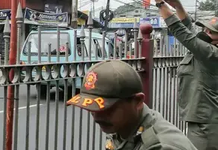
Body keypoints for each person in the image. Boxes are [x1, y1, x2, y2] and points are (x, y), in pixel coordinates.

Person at [67, 59, 197, 150]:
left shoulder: (161, 146)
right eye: (91, 108)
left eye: (107, 108)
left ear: (138, 101)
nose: (96, 116)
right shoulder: (125, 127)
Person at [148, 0, 218, 149]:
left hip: (207, 125)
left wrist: (158, 1)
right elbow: (188, 27)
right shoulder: (203, 49)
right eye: (206, 28)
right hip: (200, 121)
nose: (206, 31)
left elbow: (183, 33)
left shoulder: (211, 53)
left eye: (211, 31)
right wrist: (177, 5)